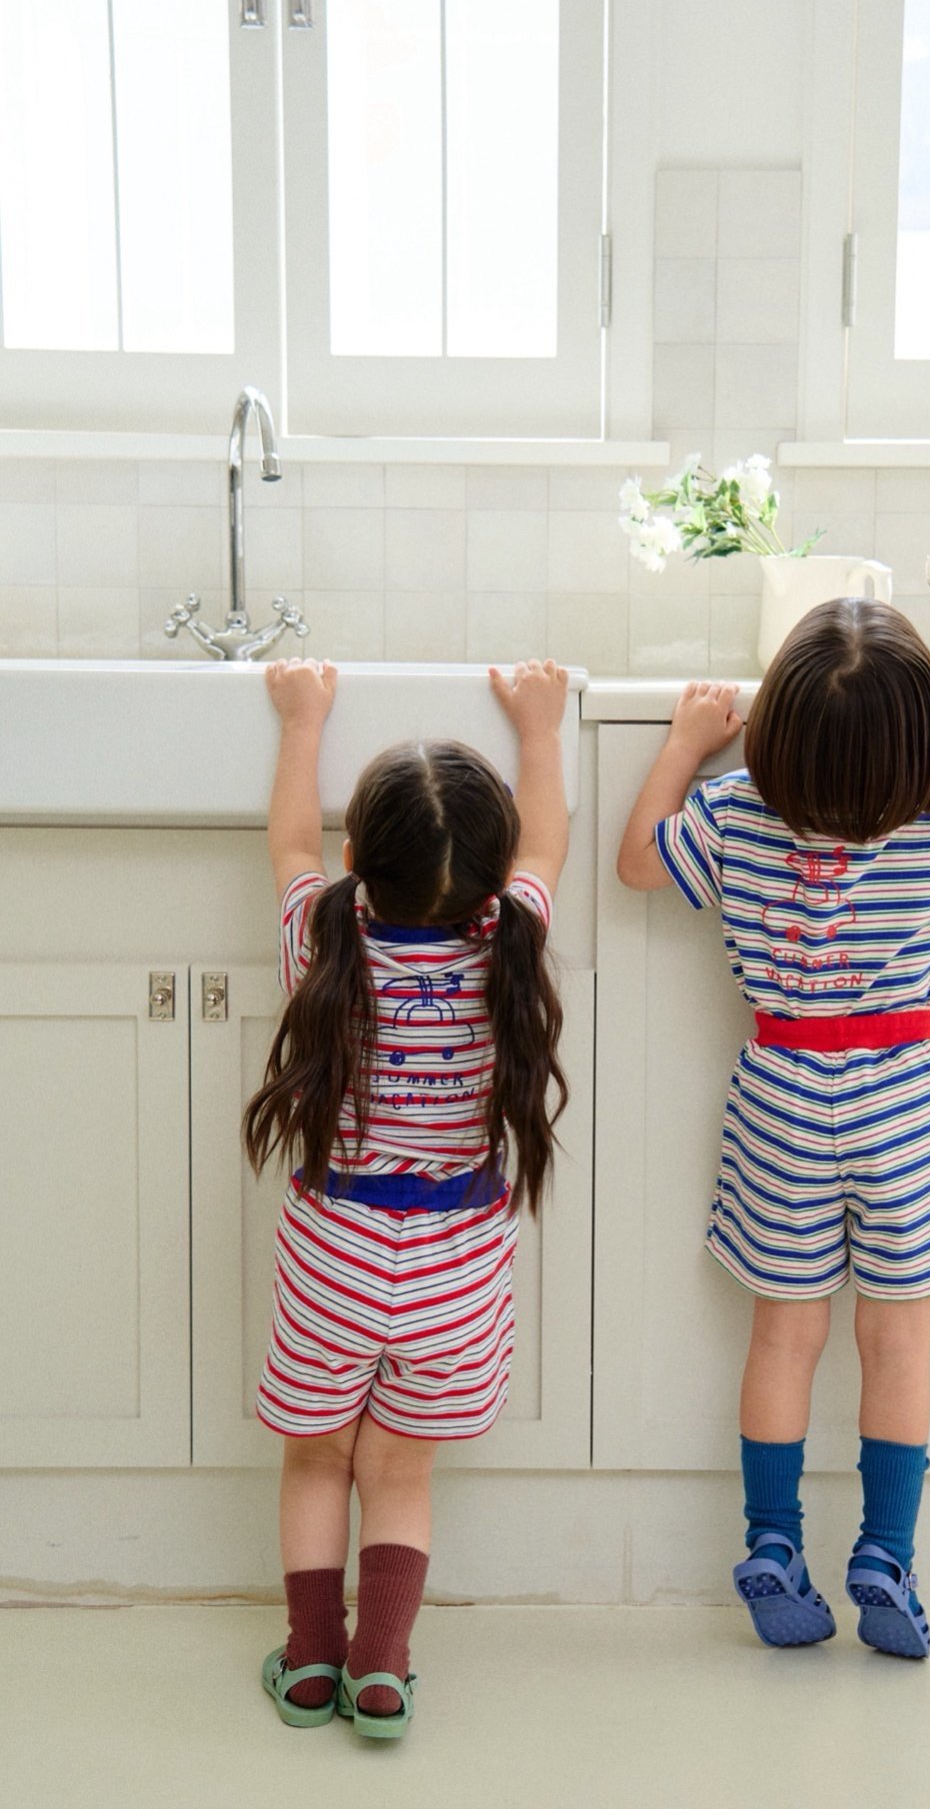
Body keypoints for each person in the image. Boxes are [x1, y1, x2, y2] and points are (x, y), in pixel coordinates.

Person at [616, 599, 930, 1659]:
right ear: (921, 741)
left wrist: (682, 746)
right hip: (912, 1102)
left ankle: (772, 1538)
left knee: (782, 1336)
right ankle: (885, 1555)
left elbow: (638, 862)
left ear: (778, 730)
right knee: (897, 1341)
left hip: (783, 1098)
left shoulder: (733, 812)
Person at [246, 655, 569, 1736]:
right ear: (492, 881)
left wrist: (304, 719)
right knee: (398, 1470)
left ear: (358, 865)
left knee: (316, 1460)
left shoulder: (323, 939)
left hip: (333, 1253)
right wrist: (540, 728)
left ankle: (309, 1662)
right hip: (454, 1267)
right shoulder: (510, 943)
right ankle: (380, 1667)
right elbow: (548, 844)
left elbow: (288, 845)